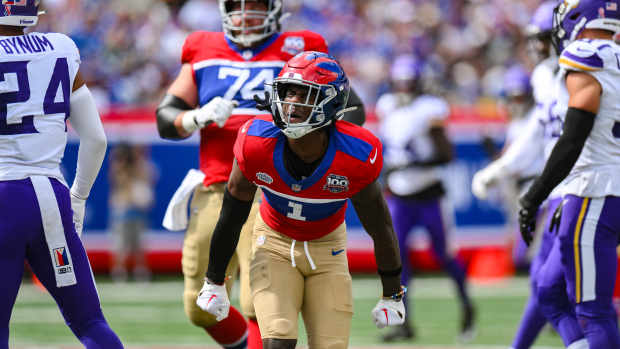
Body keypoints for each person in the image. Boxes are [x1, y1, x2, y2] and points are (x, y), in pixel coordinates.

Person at [155, 1, 366, 348]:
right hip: (216, 185)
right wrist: (195, 118)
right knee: (199, 305)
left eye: (254, 5)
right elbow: (167, 117)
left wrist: (310, 138)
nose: (245, 13)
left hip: (270, 186)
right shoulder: (203, 47)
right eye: (238, 6)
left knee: (259, 301)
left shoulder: (300, 48)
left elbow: (351, 107)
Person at [195, 51, 404, 349]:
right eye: (288, 92)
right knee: (278, 341)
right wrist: (214, 281)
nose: (291, 102)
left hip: (328, 248)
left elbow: (380, 227)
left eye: (304, 93)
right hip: (274, 243)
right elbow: (231, 216)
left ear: (330, 102)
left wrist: (392, 293)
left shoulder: (355, 153)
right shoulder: (256, 142)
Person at [0, 1, 123, 348]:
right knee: (89, 321)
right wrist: (79, 197)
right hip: (51, 197)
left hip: (3, 197)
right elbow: (96, 138)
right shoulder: (61, 47)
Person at [473, 2, 589, 348]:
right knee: (548, 287)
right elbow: (538, 132)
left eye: (542, 39)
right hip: (559, 192)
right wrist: (500, 168)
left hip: (584, 189)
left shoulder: (589, 74)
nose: (535, 48)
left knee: (581, 296)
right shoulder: (544, 77)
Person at [519, 0, 620, 347]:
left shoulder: (586, 54)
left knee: (594, 312)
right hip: (596, 187)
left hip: (597, 190)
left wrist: (534, 196)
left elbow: (574, 135)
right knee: (549, 291)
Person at [377, 54, 475, 342]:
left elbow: (446, 155)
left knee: (444, 256)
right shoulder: (387, 107)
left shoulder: (429, 109)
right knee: (395, 261)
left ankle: (467, 306)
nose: (404, 88)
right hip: (398, 195)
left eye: (409, 82)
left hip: (429, 194)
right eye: (400, 82)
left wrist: (409, 165)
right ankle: (402, 322)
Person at [109, 143, 155, 282]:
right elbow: (119, 181)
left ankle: (141, 272)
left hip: (138, 212)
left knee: (139, 245)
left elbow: (147, 180)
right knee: (120, 245)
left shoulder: (144, 168)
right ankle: (119, 273)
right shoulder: (119, 168)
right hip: (122, 212)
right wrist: (122, 162)